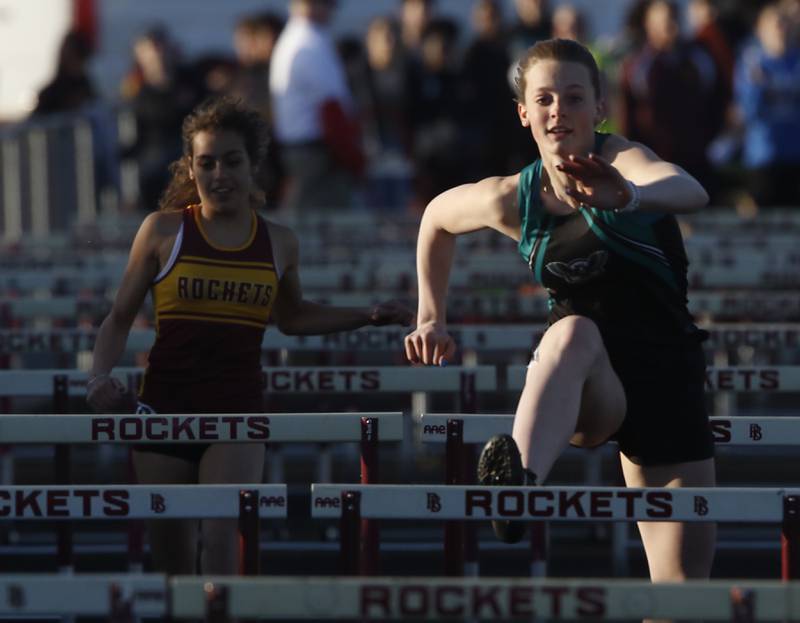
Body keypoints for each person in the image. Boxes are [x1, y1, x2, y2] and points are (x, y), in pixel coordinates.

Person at [404, 39, 715, 584]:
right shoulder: (513, 198)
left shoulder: (624, 161)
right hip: (583, 385)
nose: (558, 112)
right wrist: (431, 315)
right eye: (544, 99)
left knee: (683, 594)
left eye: (573, 98)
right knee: (572, 333)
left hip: (664, 378)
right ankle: (517, 485)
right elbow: (436, 218)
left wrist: (626, 197)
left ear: (599, 107)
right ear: (524, 113)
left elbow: (690, 190)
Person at [86, 96, 412, 575]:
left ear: (254, 164)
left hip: (237, 411)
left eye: (232, 161)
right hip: (162, 408)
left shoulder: (279, 241)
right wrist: (98, 378)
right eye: (207, 163)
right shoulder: (162, 231)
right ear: (190, 169)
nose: (220, 174)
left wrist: (367, 315)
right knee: (172, 564)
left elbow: (293, 316)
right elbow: (118, 318)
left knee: (220, 546)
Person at [269, 0, 364, 212]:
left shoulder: (297, 39)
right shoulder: (308, 43)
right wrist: (353, 156)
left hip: (305, 150)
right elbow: (331, 109)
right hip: (317, 153)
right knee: (322, 227)